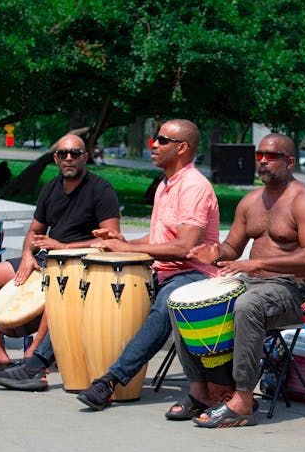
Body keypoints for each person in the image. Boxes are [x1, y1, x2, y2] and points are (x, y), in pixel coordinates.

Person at [174, 133, 305, 427]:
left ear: (290, 161)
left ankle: (243, 400)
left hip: (295, 290)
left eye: (271, 156)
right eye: (260, 156)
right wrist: (214, 253)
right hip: (255, 284)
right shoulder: (250, 202)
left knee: (247, 305)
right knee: (182, 300)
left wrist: (257, 262)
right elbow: (232, 248)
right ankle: (199, 391)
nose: (263, 162)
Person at [72, 119, 221, 407]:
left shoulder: (193, 187)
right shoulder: (167, 184)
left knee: (167, 302)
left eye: (162, 140)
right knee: (91, 293)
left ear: (182, 148)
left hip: (193, 275)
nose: (153, 144)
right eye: (155, 138)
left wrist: (126, 248)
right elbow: (158, 238)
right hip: (163, 272)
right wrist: (122, 242)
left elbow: (185, 247)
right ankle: (40, 361)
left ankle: (110, 381)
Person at [0, 134, 120, 376]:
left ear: (85, 157)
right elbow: (34, 230)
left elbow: (113, 239)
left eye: (75, 153)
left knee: (57, 284)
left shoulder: (101, 190)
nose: (68, 158)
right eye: (63, 154)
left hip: (80, 265)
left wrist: (62, 247)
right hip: (45, 259)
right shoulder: (51, 187)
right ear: (55, 158)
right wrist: (28, 255)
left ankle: (35, 353)